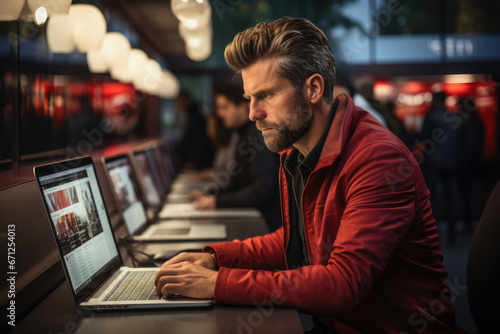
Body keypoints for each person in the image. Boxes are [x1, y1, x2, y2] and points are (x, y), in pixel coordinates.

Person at [155, 17, 459, 333]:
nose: (253, 114)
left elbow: (342, 285)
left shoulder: (377, 158)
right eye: (250, 98)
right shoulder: (296, 150)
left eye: (267, 95)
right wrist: (216, 258)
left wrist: (219, 283)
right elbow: (296, 241)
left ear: (313, 88)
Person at [191, 83, 281, 231]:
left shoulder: (257, 136)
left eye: (224, 107)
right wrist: (211, 194)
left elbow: (261, 189)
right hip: (256, 219)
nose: (219, 113)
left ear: (242, 107)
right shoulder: (243, 134)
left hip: (267, 226)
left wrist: (217, 202)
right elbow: (239, 183)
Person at [418, 92, 462, 243]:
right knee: (450, 198)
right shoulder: (454, 117)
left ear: (435, 100)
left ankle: (434, 233)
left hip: (434, 163)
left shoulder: (432, 117)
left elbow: (423, 136)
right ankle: (451, 233)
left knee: (434, 198)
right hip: (452, 163)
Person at [174, 91, 214, 171]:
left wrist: (192, 161)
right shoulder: (192, 114)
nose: (179, 105)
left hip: (198, 163)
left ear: (187, 100)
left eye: (180, 101)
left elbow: (199, 140)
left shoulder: (196, 115)